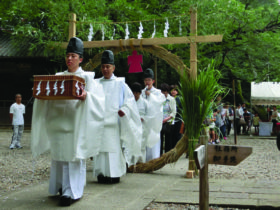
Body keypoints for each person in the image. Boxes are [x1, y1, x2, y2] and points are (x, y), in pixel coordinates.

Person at [31, 37, 105, 206]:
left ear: (80, 59)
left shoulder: (88, 78)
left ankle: (71, 192)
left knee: (73, 157)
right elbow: (48, 94)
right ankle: (58, 186)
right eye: (68, 55)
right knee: (58, 157)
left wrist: (88, 96)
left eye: (73, 55)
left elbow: (100, 100)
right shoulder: (58, 77)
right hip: (58, 123)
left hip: (76, 126)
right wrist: (41, 95)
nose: (69, 59)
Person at [93, 50, 142, 183]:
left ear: (113, 68)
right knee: (101, 150)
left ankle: (114, 174)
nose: (105, 69)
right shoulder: (96, 83)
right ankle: (101, 173)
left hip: (114, 123)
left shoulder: (120, 84)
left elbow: (129, 101)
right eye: (103, 66)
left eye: (108, 66)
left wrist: (124, 110)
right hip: (100, 123)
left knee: (113, 149)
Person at [141, 68, 165, 161]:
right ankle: (144, 160)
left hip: (153, 122)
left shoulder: (158, 93)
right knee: (145, 140)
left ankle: (154, 160)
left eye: (149, 80)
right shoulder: (142, 92)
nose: (147, 82)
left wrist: (150, 96)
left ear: (153, 81)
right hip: (144, 121)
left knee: (153, 140)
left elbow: (160, 102)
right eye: (146, 80)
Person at [160, 83, 176, 154]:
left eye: (165, 91)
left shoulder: (171, 99)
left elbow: (174, 112)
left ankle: (167, 155)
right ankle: (159, 154)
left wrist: (166, 119)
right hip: (160, 121)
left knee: (168, 140)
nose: (164, 93)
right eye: (162, 91)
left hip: (168, 121)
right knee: (160, 139)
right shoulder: (159, 99)